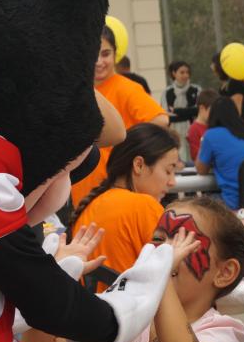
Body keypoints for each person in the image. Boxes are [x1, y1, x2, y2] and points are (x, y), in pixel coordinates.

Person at [23, 196, 244, 342]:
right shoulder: (133, 325)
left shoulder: (225, 333)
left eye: (181, 240)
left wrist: (159, 276)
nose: (162, 250)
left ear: (224, 272)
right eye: (158, 239)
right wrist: (55, 279)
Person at [69, 123, 179, 288]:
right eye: (168, 171)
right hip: (135, 311)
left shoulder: (91, 206)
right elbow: (178, 277)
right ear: (139, 165)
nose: (172, 182)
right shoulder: (144, 205)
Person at [71, 26, 169, 206]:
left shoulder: (126, 88)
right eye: (93, 54)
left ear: (116, 54)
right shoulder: (80, 90)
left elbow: (161, 120)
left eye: (105, 54)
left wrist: (126, 147)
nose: (99, 61)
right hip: (82, 187)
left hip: (115, 189)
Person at [196, 97, 244, 209]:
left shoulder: (211, 135)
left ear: (213, 115)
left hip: (233, 203)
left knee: (197, 205)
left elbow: (201, 170)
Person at [161, 61, 201, 162]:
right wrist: (189, 112)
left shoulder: (196, 90)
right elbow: (167, 115)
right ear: (174, 73)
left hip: (192, 129)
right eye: (182, 72)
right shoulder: (167, 92)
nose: (185, 75)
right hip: (174, 131)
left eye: (187, 72)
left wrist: (177, 111)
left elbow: (199, 111)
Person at [211, 52, 244, 123]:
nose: (211, 66)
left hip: (238, 127)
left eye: (213, 63)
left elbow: (237, 111)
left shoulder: (236, 82)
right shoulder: (225, 84)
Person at [187, 89, 220, 162]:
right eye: (212, 111)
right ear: (202, 108)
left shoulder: (216, 126)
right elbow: (196, 157)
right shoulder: (194, 129)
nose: (216, 115)